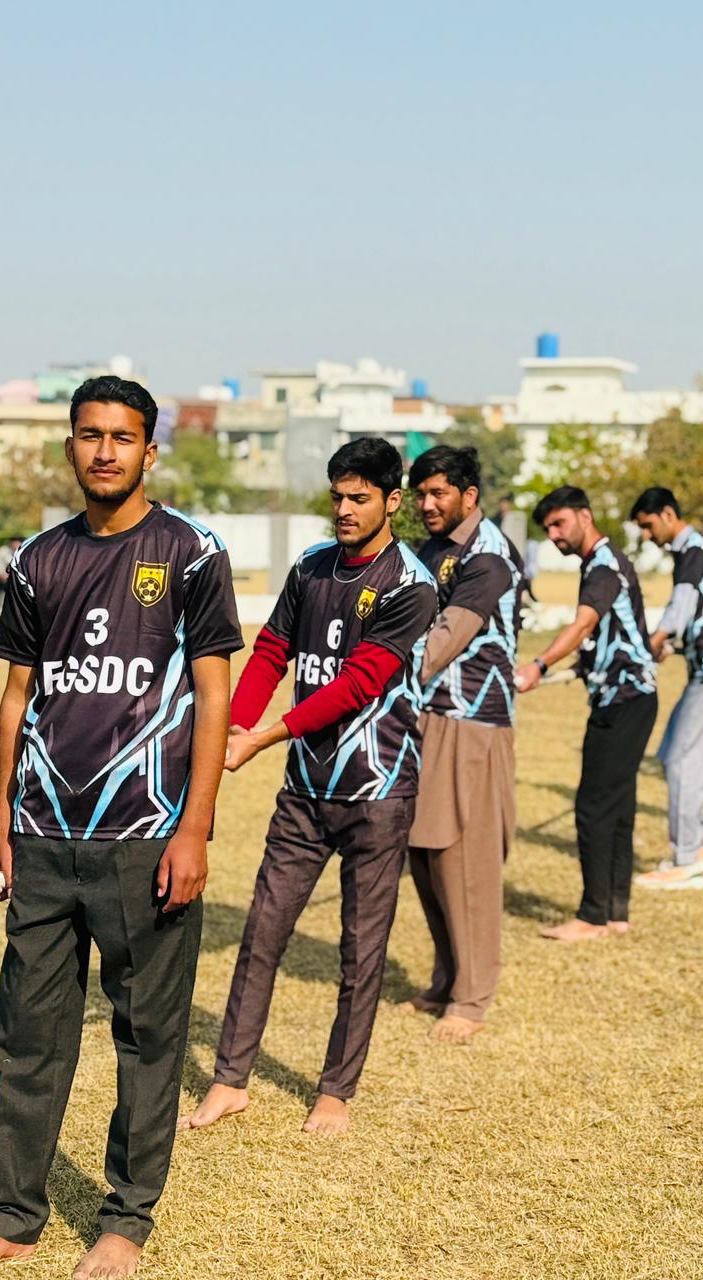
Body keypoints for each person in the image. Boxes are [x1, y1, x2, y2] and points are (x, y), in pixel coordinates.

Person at [0, 375, 243, 1280]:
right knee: (26, 1034)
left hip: (147, 837)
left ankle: (125, 1218)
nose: (105, 450)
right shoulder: (36, 559)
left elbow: (215, 690)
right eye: (89, 434)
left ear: (150, 450)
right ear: (69, 445)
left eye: (123, 436)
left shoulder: (191, 552)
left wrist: (194, 831)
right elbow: (16, 698)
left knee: (147, 1034)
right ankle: (14, 1215)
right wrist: (1, 820)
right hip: (41, 837)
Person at [180, 437, 437, 1137]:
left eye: (360, 498)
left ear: (393, 501)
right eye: (338, 497)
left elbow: (359, 684)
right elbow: (271, 651)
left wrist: (262, 738)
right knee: (262, 931)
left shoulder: (412, 584)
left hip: (377, 792)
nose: (346, 510)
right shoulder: (312, 567)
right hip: (304, 792)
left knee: (361, 948)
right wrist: (233, 725)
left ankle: (335, 1091)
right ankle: (230, 1079)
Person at [403, 445, 522, 1041]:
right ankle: (448, 977)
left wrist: (371, 676)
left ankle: (473, 997)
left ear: (468, 496)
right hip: (426, 717)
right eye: (421, 493)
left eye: (438, 493)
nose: (427, 504)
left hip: (473, 719)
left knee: (464, 858)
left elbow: (444, 638)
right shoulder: (431, 551)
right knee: (423, 852)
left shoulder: (489, 556)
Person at [515, 486, 657, 941]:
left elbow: (583, 623)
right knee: (617, 807)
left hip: (624, 701)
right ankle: (616, 911)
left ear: (584, 516)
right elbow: (610, 635)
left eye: (560, 524)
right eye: (548, 529)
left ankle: (593, 915)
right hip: (627, 696)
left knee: (593, 808)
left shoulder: (602, 564)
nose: (554, 535)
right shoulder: (603, 562)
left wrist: (539, 664)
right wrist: (583, 665)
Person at [627, 489, 703, 889]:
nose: (646, 535)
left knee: (682, 762)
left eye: (648, 525)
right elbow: (700, 609)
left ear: (668, 514)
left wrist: (656, 637)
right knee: (671, 755)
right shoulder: (690, 552)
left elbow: (684, 601)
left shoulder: (693, 547)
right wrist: (671, 642)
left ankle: (684, 857)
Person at [0, 534, 25, 616]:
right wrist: (2, 575)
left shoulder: (23, 552)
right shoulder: (2, 551)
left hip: (14, 579)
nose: (16, 544)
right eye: (14, 542)